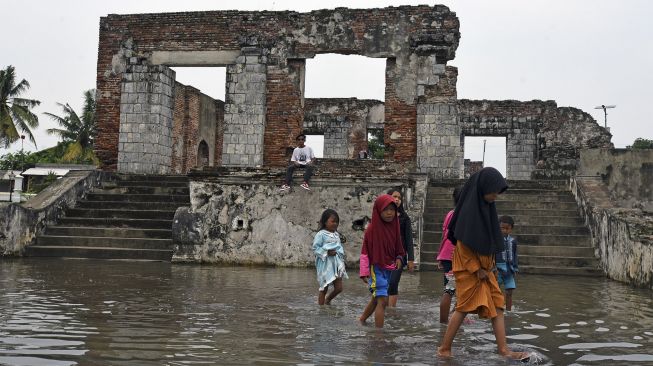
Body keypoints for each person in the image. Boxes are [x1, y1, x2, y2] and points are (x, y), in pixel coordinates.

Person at [437, 167, 530, 361]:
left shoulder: (487, 209)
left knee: (498, 305)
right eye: (494, 191)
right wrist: (476, 269)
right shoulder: (468, 213)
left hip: (486, 269)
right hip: (469, 269)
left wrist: (489, 267)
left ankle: (503, 349)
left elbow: (490, 242)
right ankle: (444, 348)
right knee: (463, 307)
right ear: (483, 188)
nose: (496, 195)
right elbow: (462, 245)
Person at [358, 194, 406, 328]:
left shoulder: (394, 226)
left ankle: (362, 319)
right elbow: (365, 252)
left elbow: (398, 246)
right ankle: (379, 335)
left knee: (376, 298)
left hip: (389, 267)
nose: (390, 213)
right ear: (378, 210)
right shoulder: (371, 230)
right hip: (376, 267)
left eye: (392, 209)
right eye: (386, 209)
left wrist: (399, 257)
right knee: (383, 300)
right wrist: (364, 271)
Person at [436, 186, 461, 323]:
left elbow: (444, 235)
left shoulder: (450, 213)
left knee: (450, 288)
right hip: (456, 256)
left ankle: (450, 317)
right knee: (451, 290)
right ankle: (446, 321)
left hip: (446, 255)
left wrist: (440, 255)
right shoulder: (463, 214)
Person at [312, 209, 348, 305]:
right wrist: (327, 252)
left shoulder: (336, 235)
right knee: (324, 288)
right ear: (325, 222)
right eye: (333, 221)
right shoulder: (320, 235)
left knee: (339, 288)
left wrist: (342, 260)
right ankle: (321, 310)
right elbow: (315, 249)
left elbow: (339, 248)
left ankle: (328, 300)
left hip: (337, 264)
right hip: (325, 265)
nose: (335, 224)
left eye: (337, 222)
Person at [386, 188, 415, 308]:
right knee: (385, 282)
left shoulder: (404, 218)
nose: (397, 200)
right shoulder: (383, 216)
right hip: (385, 254)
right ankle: (384, 307)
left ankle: (391, 310)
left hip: (399, 255)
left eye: (399, 198)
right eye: (394, 197)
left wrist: (411, 259)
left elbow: (409, 239)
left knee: (393, 282)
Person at [496, 215, 519, 311]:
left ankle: (508, 311)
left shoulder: (513, 241)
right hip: (497, 269)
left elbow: (515, 255)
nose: (504, 231)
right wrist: (492, 268)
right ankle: (493, 308)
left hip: (509, 270)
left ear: (511, 229)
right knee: (495, 291)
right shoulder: (495, 240)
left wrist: (515, 267)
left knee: (509, 291)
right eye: (502, 228)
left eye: (507, 228)